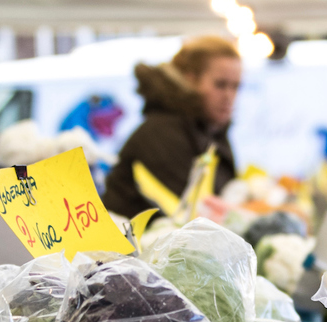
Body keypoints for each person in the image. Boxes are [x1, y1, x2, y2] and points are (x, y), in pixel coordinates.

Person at [102, 35, 242, 218]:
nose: (229, 96)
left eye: (236, 86)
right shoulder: (160, 135)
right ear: (190, 80)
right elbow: (193, 215)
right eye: (220, 85)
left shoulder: (209, 131)